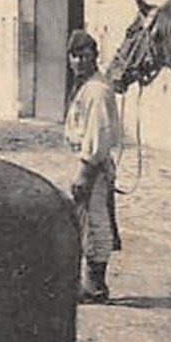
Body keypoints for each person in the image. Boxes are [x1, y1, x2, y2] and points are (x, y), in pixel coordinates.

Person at [64, 30, 122, 303]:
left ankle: (96, 286)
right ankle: (88, 282)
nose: (78, 62)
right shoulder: (85, 86)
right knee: (84, 220)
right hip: (83, 160)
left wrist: (84, 173)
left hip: (93, 166)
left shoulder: (97, 90)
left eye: (85, 56)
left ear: (95, 57)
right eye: (74, 56)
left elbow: (97, 137)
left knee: (96, 222)